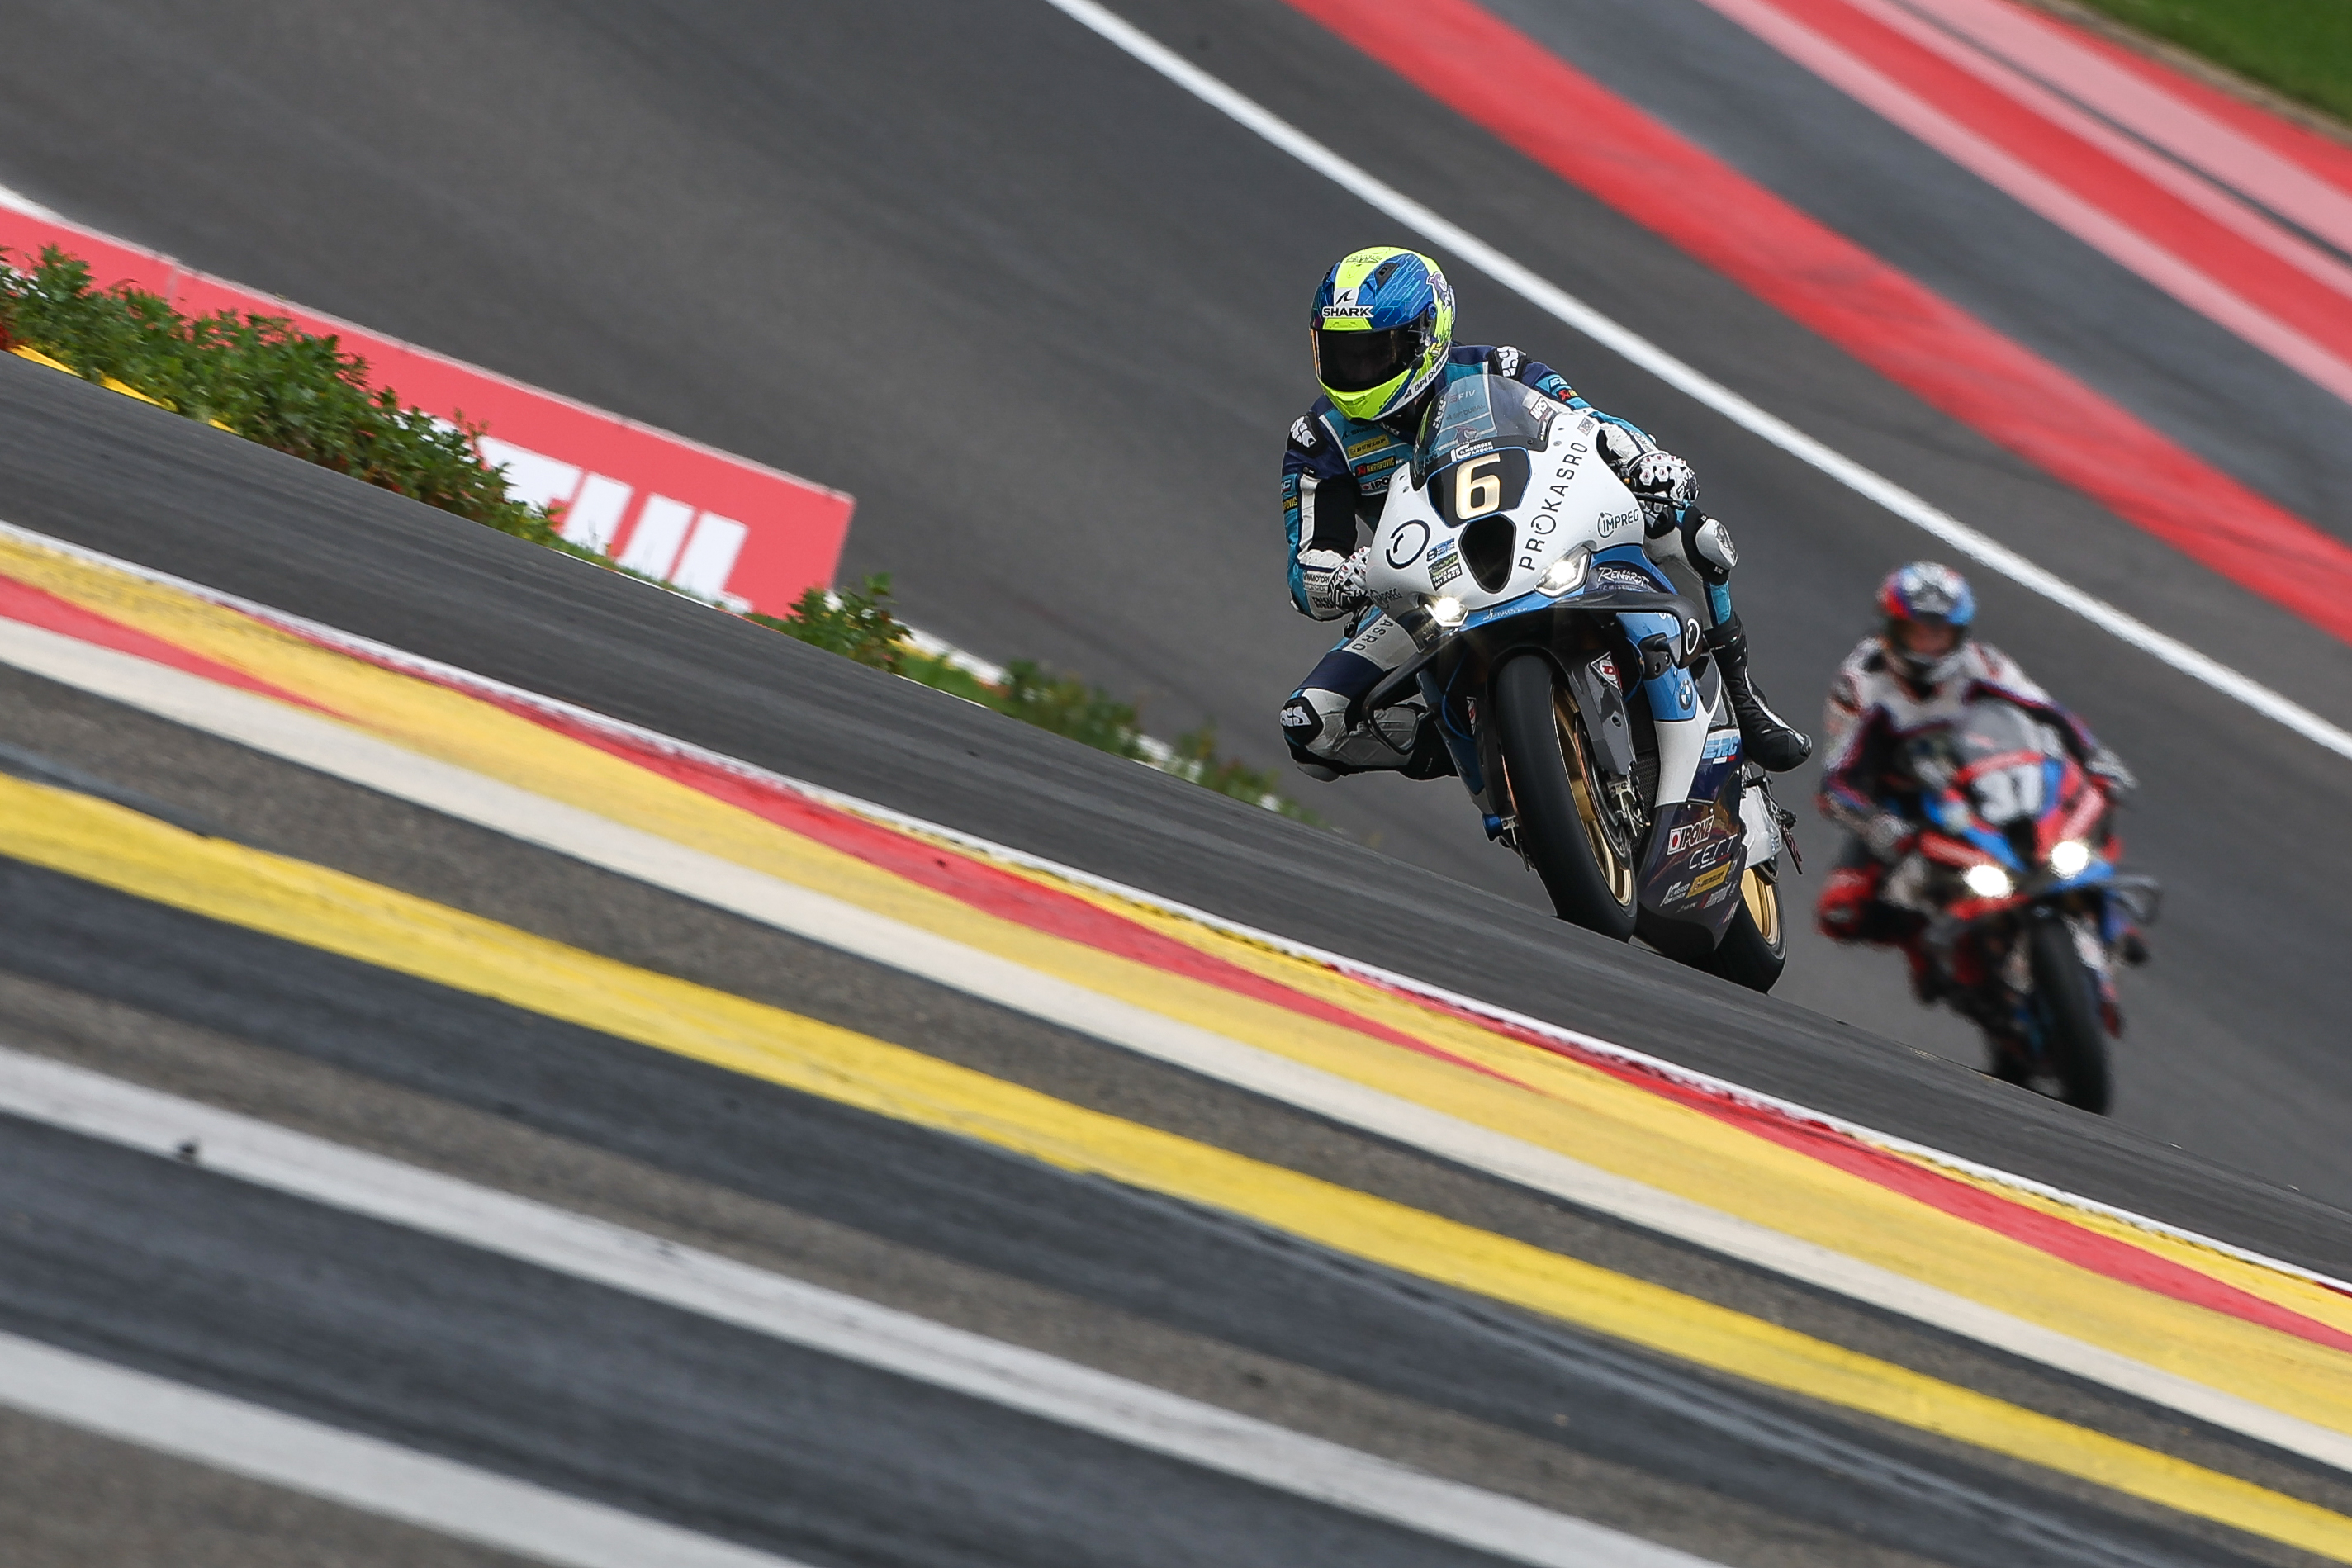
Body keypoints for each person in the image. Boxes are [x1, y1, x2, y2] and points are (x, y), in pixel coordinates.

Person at [1277, 244, 1810, 779]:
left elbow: (1589, 423)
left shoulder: (1498, 369)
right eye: (1343, 354)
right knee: (1312, 723)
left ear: (1427, 337)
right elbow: (1307, 570)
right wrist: (1345, 577)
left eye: (1375, 352)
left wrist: (1644, 461)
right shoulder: (1320, 439)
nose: (1358, 370)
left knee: (1687, 530)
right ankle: (1486, 749)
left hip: (1543, 532)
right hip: (1432, 589)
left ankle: (1741, 694)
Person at [1814, 560, 2136, 996]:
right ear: (1891, 629)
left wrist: (2095, 757)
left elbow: (2048, 712)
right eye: (1917, 633)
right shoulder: (1862, 684)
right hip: (1902, 801)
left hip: (1983, 777)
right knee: (1842, 910)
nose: (1929, 646)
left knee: (2081, 805)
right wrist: (1874, 823)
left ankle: (2108, 916)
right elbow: (1838, 779)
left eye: (1940, 634)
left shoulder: (1982, 662)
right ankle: (1933, 954)